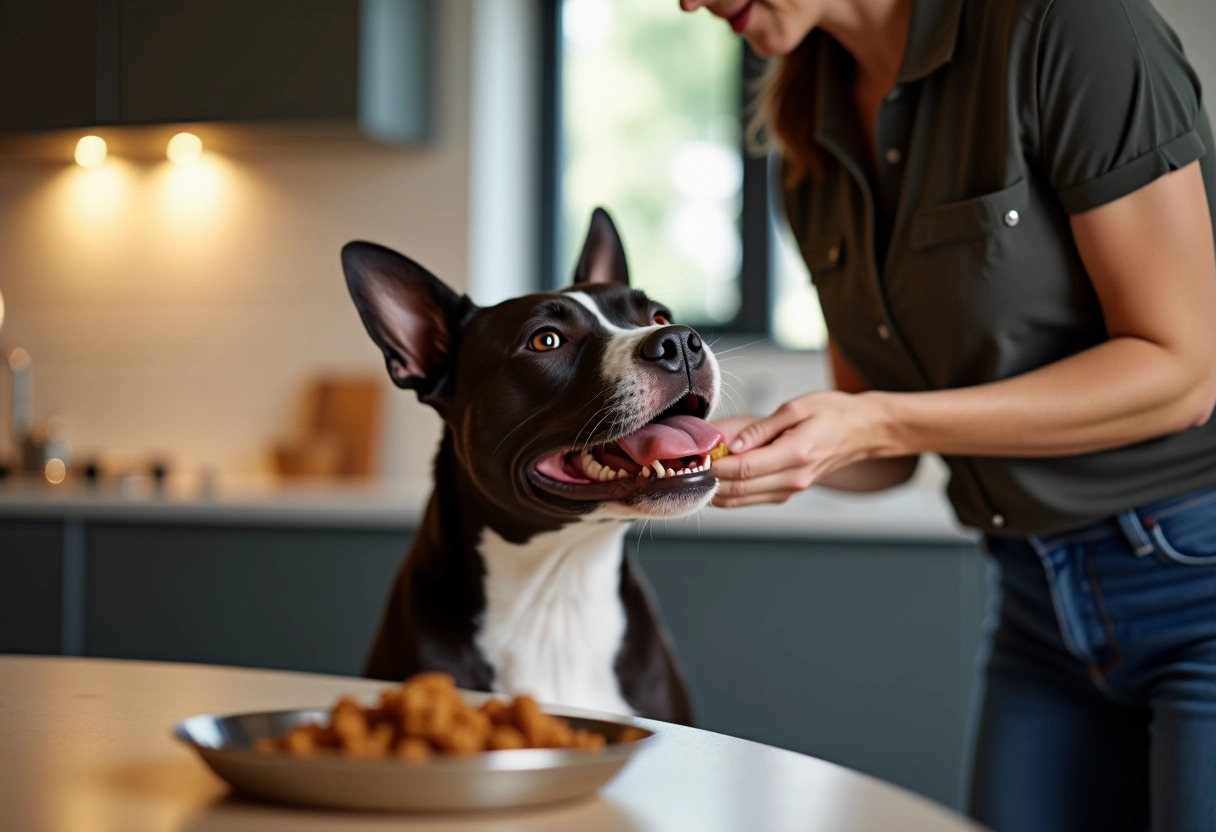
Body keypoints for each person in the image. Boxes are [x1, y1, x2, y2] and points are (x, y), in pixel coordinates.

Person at [677, 0, 1216, 829]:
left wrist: (882, 423)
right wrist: (727, 452)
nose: (683, 2)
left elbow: (1183, 373)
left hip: (1195, 580)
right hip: (1034, 602)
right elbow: (876, 444)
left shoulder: (1066, 26)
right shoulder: (806, 144)